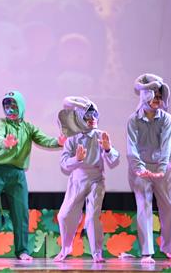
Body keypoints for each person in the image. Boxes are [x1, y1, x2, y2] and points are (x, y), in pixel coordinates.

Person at [0, 90, 65, 261]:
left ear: (21, 107)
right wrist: (4, 143)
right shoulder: (2, 123)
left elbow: (44, 140)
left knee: (21, 213)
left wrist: (58, 142)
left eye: (14, 106)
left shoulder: (29, 128)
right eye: (7, 106)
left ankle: (22, 250)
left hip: (17, 174)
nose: (10, 110)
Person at [126, 73, 171, 264]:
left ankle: (170, 249)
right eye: (154, 96)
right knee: (144, 207)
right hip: (140, 169)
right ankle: (147, 253)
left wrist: (161, 168)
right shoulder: (133, 120)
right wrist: (139, 168)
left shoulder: (166, 118)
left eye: (160, 96)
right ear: (146, 96)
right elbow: (131, 148)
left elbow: (166, 145)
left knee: (170, 207)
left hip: (162, 167)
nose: (157, 100)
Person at [54, 97, 119, 262]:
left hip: (96, 181)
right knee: (64, 215)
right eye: (88, 116)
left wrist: (108, 149)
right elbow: (64, 163)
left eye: (94, 115)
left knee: (92, 217)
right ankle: (65, 248)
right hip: (77, 180)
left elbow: (114, 158)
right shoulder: (73, 138)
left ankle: (97, 253)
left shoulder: (100, 135)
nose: (92, 119)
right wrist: (76, 159)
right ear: (80, 119)